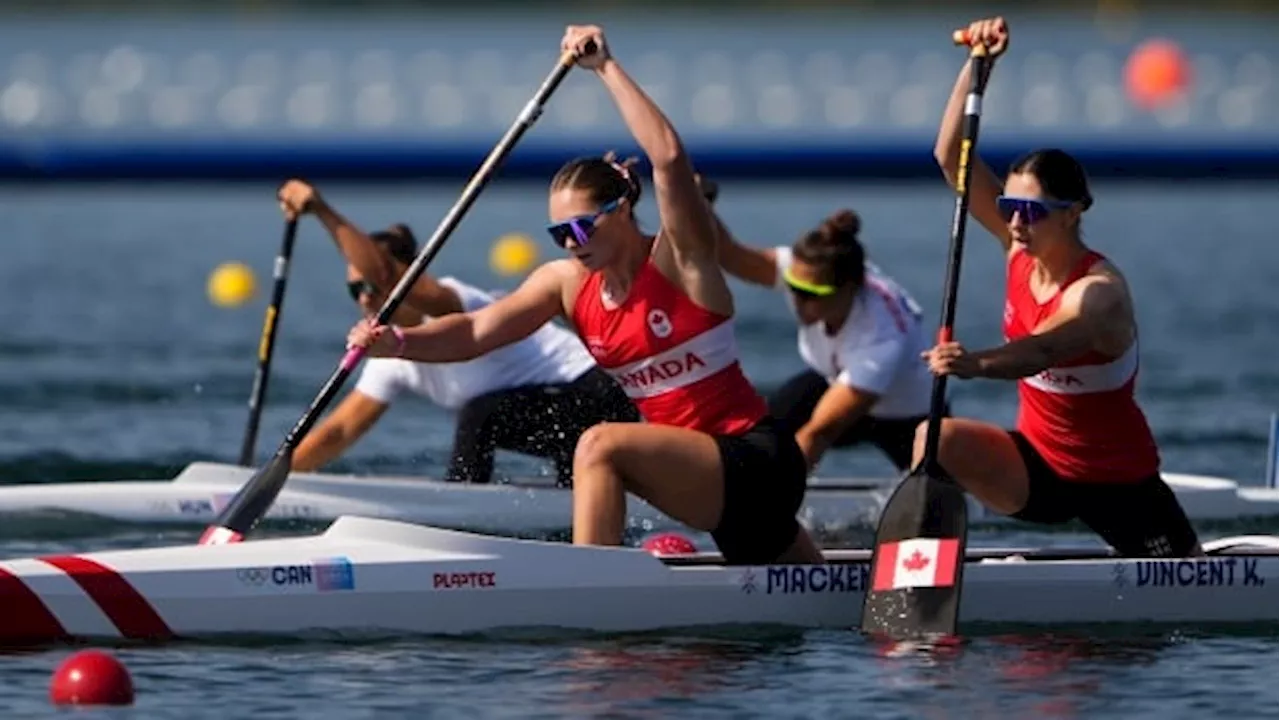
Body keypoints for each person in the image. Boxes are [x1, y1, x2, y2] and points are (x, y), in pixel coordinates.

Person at [346, 25, 824, 566]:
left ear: (621, 209)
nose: (570, 245)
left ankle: (585, 583)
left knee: (599, 444)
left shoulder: (681, 260)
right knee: (799, 597)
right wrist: (400, 341)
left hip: (756, 459)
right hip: (708, 478)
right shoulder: (567, 285)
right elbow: (477, 331)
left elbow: (667, 158)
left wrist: (605, 68)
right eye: (558, 235)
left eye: (579, 229)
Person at [920, 17, 1201, 557]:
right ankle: (925, 568)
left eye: (1031, 211)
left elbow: (1043, 349)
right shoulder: (1018, 248)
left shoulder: (1099, 294)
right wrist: (979, 66)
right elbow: (949, 153)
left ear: (1072, 214)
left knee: (1155, 630)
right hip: (1037, 469)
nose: (1016, 222)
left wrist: (973, 363)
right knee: (935, 439)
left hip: (1118, 483)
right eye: (1009, 208)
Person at [276, 179, 638, 486]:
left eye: (370, 285)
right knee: (565, 487)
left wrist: (322, 211)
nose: (366, 297)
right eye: (355, 290)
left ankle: (461, 509)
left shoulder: (454, 301)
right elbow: (339, 432)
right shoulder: (386, 349)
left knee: (480, 413)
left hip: (601, 394)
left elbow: (385, 274)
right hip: (555, 418)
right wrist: (274, 483)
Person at [702, 179, 938, 472]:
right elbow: (731, 255)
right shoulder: (808, 270)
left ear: (850, 288)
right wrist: (699, 205)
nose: (798, 300)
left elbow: (818, 434)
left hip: (906, 416)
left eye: (811, 294)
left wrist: (768, 499)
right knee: (765, 433)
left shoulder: (880, 339)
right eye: (793, 287)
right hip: (837, 379)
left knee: (932, 479)